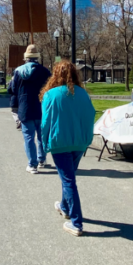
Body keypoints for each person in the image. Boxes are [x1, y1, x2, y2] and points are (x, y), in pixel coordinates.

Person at [39, 61, 96, 236]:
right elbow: (90, 116)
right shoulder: (83, 94)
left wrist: (44, 141)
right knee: (69, 177)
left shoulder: (51, 95)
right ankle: (65, 206)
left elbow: (46, 122)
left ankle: (76, 223)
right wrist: (87, 139)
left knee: (68, 180)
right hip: (79, 142)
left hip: (59, 142)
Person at [10, 44, 52, 173]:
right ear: (37, 57)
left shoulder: (18, 71)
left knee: (28, 137)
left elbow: (12, 90)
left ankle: (32, 164)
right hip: (42, 107)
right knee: (42, 136)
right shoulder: (45, 71)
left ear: (25, 58)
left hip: (25, 108)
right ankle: (41, 159)